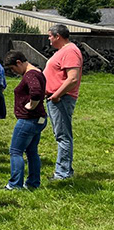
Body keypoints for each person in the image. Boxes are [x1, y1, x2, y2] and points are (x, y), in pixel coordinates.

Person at [3, 51, 48, 190]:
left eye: (13, 68)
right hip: (39, 119)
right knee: (31, 151)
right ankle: (33, 183)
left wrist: (31, 105)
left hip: (28, 120)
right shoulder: (38, 72)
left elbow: (35, 92)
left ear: (18, 62)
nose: (14, 72)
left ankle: (15, 184)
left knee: (15, 151)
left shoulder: (30, 74)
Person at [43, 24, 82, 180]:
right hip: (57, 98)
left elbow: (72, 78)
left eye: (50, 36)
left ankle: (62, 173)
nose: (49, 39)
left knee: (63, 136)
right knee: (61, 134)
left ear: (58, 36)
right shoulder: (63, 51)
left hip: (61, 99)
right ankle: (65, 170)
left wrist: (56, 95)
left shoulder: (70, 51)